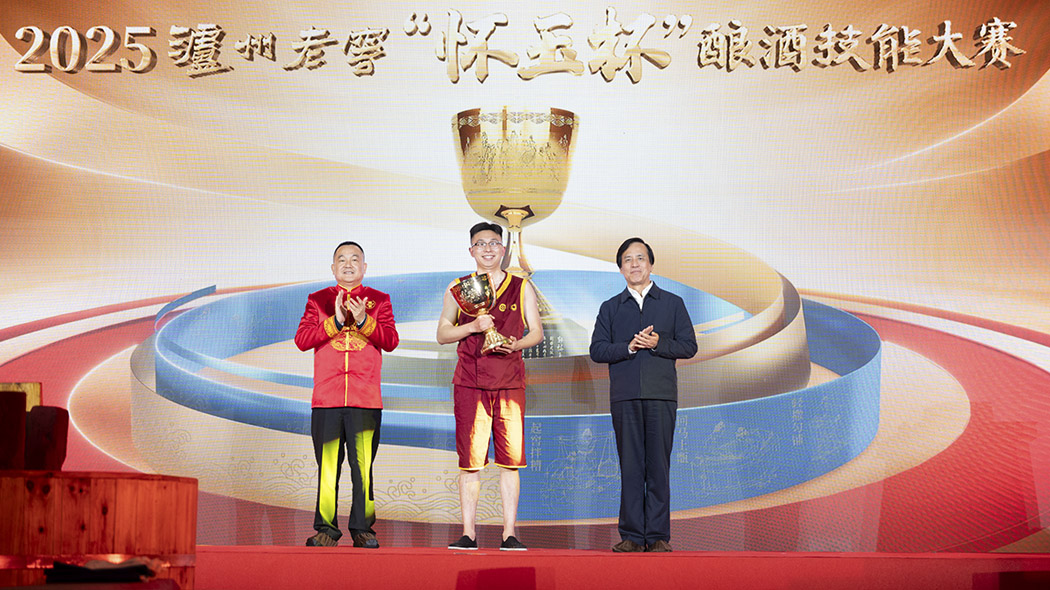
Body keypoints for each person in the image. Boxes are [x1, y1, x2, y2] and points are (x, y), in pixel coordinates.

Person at [436, 221, 544, 551]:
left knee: (510, 461)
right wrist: (473, 326)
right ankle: (468, 533)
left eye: (494, 243)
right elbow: (442, 334)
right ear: (471, 250)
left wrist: (516, 344)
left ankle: (509, 533)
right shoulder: (459, 287)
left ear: (503, 249)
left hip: (510, 382)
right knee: (470, 462)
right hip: (470, 382)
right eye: (480, 243)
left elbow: (537, 332)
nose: (488, 248)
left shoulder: (521, 286)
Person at [589, 237, 697, 553]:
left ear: (650, 264)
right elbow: (597, 350)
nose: (634, 264)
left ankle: (659, 535)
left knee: (658, 466)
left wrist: (658, 343)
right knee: (631, 465)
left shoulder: (672, 303)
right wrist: (629, 347)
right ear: (620, 268)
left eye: (640, 258)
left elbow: (689, 346)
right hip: (625, 396)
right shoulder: (611, 307)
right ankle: (633, 535)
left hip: (661, 394)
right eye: (628, 259)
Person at [295, 241, 399, 548]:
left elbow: (391, 340)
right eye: (342, 259)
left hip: (365, 399)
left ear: (364, 267)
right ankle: (326, 530)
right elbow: (302, 340)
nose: (349, 264)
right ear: (333, 268)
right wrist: (336, 321)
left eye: (355, 259)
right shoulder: (318, 300)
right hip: (327, 399)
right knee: (328, 468)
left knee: (362, 468)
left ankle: (363, 529)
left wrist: (364, 320)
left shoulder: (379, 300)